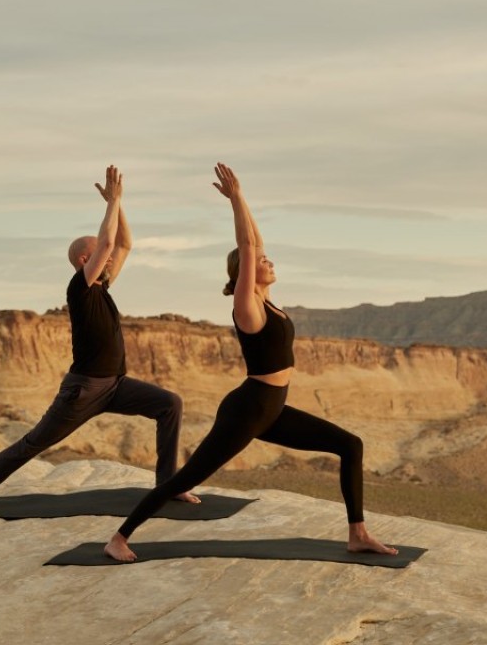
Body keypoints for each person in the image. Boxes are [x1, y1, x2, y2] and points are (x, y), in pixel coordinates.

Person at [104, 163, 395, 561]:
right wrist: (237, 199)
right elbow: (248, 246)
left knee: (350, 445)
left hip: (272, 408)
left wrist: (245, 203)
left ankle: (358, 533)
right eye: (262, 261)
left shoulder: (269, 302)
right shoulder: (248, 306)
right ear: (244, 272)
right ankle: (119, 538)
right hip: (248, 410)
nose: (269, 261)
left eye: (269, 258)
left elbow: (255, 242)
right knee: (186, 478)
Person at [0, 166, 200, 511]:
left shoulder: (103, 286)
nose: (111, 257)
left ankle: (168, 486)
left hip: (115, 384)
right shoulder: (80, 289)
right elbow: (111, 242)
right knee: (34, 442)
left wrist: (119, 204)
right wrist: (111, 204)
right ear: (87, 260)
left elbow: (125, 243)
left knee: (169, 403)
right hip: (83, 390)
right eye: (102, 254)